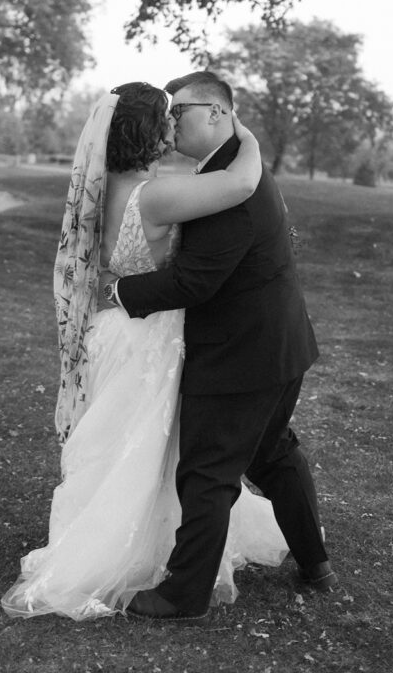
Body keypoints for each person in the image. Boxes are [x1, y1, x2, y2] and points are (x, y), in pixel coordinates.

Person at [1, 82, 289, 621]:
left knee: (122, 444)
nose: (173, 126)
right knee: (145, 447)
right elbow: (243, 180)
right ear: (148, 130)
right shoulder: (155, 196)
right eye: (167, 118)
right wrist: (239, 126)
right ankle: (121, 552)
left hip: (116, 331)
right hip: (149, 336)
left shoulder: (108, 184)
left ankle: (135, 542)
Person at [100, 71, 336, 622]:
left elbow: (194, 284)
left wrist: (118, 291)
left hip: (242, 355)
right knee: (272, 452)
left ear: (217, 113)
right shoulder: (234, 170)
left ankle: (183, 596)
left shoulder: (228, 187)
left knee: (207, 472)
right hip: (280, 345)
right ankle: (315, 563)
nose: (169, 122)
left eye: (178, 111)